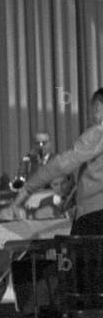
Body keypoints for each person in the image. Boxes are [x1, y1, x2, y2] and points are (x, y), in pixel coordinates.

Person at [13, 88, 103, 234]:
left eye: (91, 110)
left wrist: (26, 190)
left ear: (98, 106)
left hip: (95, 216)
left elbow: (61, 165)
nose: (90, 117)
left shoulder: (99, 132)